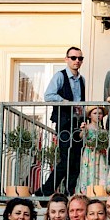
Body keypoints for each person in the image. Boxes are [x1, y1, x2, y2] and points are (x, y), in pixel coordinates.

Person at [40, 47, 86, 195]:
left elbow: (81, 102)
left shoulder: (82, 80)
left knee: (75, 161)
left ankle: (69, 192)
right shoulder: (60, 76)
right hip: (64, 122)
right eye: (73, 58)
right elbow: (49, 95)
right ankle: (45, 191)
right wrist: (66, 102)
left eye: (80, 58)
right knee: (66, 159)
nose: (77, 61)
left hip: (77, 123)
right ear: (66, 59)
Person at [77, 105, 110, 195]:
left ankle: (100, 192)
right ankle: (88, 192)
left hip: (100, 154)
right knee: (89, 172)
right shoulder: (87, 127)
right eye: (95, 113)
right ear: (90, 115)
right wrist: (83, 129)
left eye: (100, 113)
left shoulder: (103, 130)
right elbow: (81, 136)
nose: (98, 115)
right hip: (90, 154)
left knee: (100, 172)